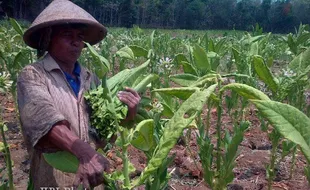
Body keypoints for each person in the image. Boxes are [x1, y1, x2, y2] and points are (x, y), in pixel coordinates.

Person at [17, 0, 140, 189]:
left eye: (80, 36)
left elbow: (104, 129)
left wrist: (127, 114)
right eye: (67, 35)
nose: (76, 42)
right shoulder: (33, 74)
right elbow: (42, 120)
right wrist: (84, 153)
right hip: (53, 182)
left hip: (93, 179)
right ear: (49, 38)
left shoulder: (91, 79)